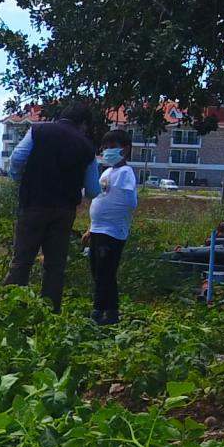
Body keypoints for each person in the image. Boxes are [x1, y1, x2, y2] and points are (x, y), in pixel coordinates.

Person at [4, 105, 96, 309]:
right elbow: (92, 189)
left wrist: (20, 179)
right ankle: (49, 312)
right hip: (64, 211)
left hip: (33, 204)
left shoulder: (39, 130)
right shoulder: (86, 146)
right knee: (55, 266)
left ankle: (11, 309)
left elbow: (17, 158)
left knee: (22, 261)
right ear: (83, 125)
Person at [84, 129, 140, 326]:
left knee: (104, 272)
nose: (107, 151)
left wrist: (111, 218)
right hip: (98, 230)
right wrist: (91, 227)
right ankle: (111, 309)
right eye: (105, 148)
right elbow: (101, 199)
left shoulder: (126, 173)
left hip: (112, 232)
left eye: (112, 148)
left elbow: (130, 202)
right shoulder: (108, 171)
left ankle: (99, 311)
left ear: (124, 150)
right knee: (98, 271)